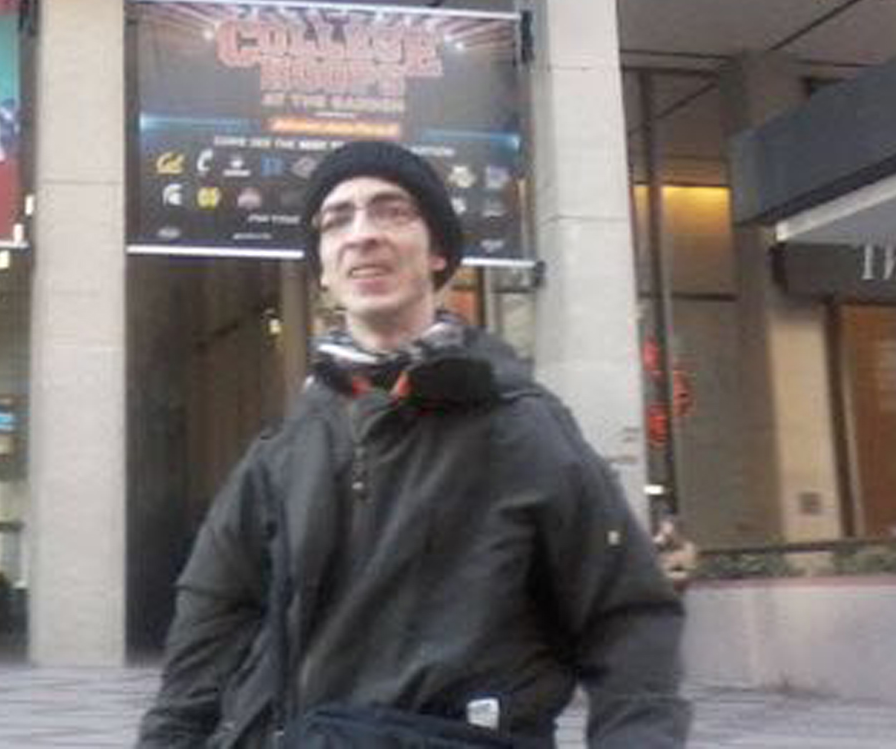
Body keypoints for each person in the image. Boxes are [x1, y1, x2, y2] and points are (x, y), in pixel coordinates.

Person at [137, 140, 688, 748]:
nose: (362, 233)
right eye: (336, 219)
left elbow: (627, 620)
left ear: (439, 253)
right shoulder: (282, 453)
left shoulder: (526, 431)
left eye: (391, 211)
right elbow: (206, 638)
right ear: (322, 267)